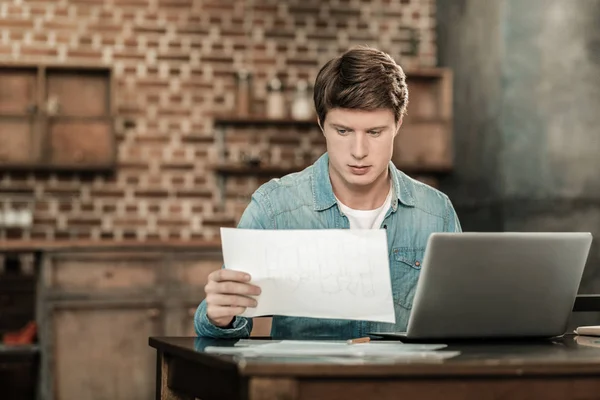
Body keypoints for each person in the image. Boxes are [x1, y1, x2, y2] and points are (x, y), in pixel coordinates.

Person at [194, 45, 461, 340]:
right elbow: (228, 327)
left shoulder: (437, 213)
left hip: (401, 384)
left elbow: (460, 322)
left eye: (374, 132)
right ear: (322, 125)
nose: (359, 152)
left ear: (397, 124)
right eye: (343, 131)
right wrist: (219, 317)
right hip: (304, 384)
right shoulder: (274, 208)